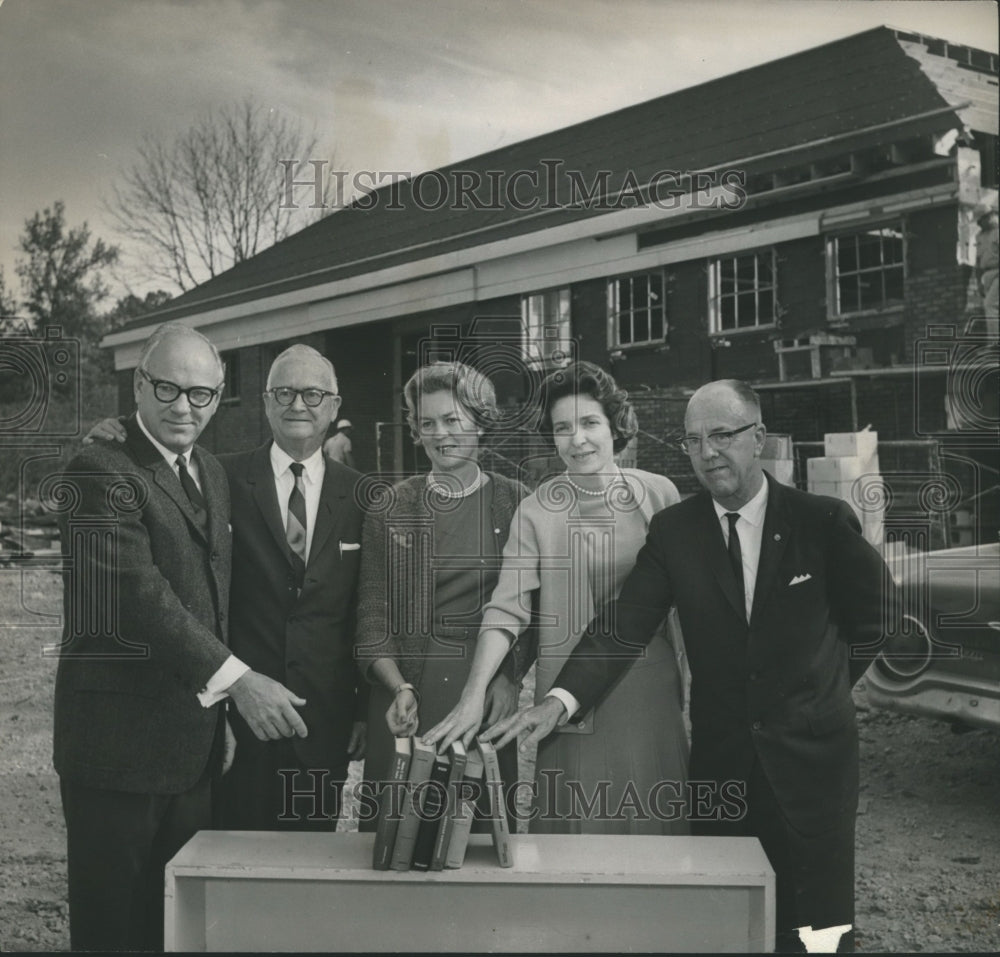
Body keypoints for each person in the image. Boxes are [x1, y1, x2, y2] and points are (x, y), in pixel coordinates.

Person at [484, 379, 895, 952]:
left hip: (813, 765)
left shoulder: (821, 521)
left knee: (818, 930)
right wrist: (557, 701)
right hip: (723, 764)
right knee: (728, 923)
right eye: (694, 440)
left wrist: (818, 691)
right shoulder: (678, 530)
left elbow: (876, 622)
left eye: (722, 435)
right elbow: (623, 623)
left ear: (758, 438)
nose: (708, 452)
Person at [55, 324, 307, 951]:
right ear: (138, 386)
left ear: (219, 398)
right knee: (112, 927)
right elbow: (138, 598)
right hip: (114, 748)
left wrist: (217, 712)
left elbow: (214, 602)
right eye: (166, 387)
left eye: (200, 394)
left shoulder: (212, 474)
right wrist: (239, 683)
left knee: (174, 926)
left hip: (191, 749)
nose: (182, 406)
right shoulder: (98, 470)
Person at [84, 343, 368, 832]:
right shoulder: (219, 476)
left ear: (335, 406)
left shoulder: (365, 495)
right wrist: (118, 433)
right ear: (263, 401)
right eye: (283, 392)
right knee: (225, 872)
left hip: (321, 721)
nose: (297, 404)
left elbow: (366, 608)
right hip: (236, 719)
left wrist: (361, 709)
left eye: (313, 394)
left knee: (303, 873)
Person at [426, 361, 689, 834]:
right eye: (563, 428)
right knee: (576, 831)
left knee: (653, 831)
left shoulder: (659, 494)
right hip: (565, 697)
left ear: (616, 428)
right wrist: (472, 695)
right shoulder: (536, 510)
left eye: (589, 423)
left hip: (647, 689)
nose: (577, 439)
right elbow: (507, 609)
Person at [353, 360, 530, 828]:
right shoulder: (389, 506)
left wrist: (508, 678)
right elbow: (372, 614)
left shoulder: (517, 502)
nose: (440, 434)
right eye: (427, 423)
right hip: (406, 701)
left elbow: (531, 607)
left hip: (484, 700)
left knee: (480, 847)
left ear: (480, 421)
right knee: (400, 843)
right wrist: (397, 686)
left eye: (453, 420)